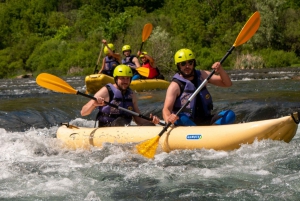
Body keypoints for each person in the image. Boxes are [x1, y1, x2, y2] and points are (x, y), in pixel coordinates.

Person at [162, 48, 236, 126]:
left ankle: (213, 130)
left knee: (230, 114)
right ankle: (203, 133)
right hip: (187, 122)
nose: (187, 66)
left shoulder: (203, 75)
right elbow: (166, 109)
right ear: (178, 66)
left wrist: (220, 70)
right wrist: (168, 118)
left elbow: (227, 84)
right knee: (179, 117)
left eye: (190, 63)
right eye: (183, 64)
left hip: (205, 119)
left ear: (194, 63)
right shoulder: (175, 86)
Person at [81, 64, 160, 127]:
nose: (125, 81)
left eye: (127, 78)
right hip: (106, 128)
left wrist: (150, 121)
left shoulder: (131, 95)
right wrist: (94, 104)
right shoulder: (106, 91)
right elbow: (83, 112)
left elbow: (138, 120)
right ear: (116, 79)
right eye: (122, 78)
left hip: (124, 128)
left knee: (150, 125)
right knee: (120, 121)